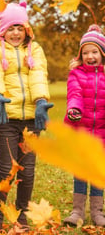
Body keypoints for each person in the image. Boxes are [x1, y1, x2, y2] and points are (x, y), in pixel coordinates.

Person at [0, 2, 53, 233]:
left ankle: (22, 214)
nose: (15, 33)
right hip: (6, 120)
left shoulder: (36, 50)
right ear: (3, 30)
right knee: (6, 170)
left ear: (26, 30)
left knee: (27, 170)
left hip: (32, 120)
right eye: (11, 28)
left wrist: (41, 101)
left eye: (19, 28)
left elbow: (39, 75)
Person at [63, 24, 105, 227]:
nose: (90, 56)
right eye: (85, 52)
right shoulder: (76, 75)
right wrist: (74, 109)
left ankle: (97, 212)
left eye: (94, 51)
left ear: (102, 53)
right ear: (80, 55)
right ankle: (77, 211)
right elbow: (75, 95)